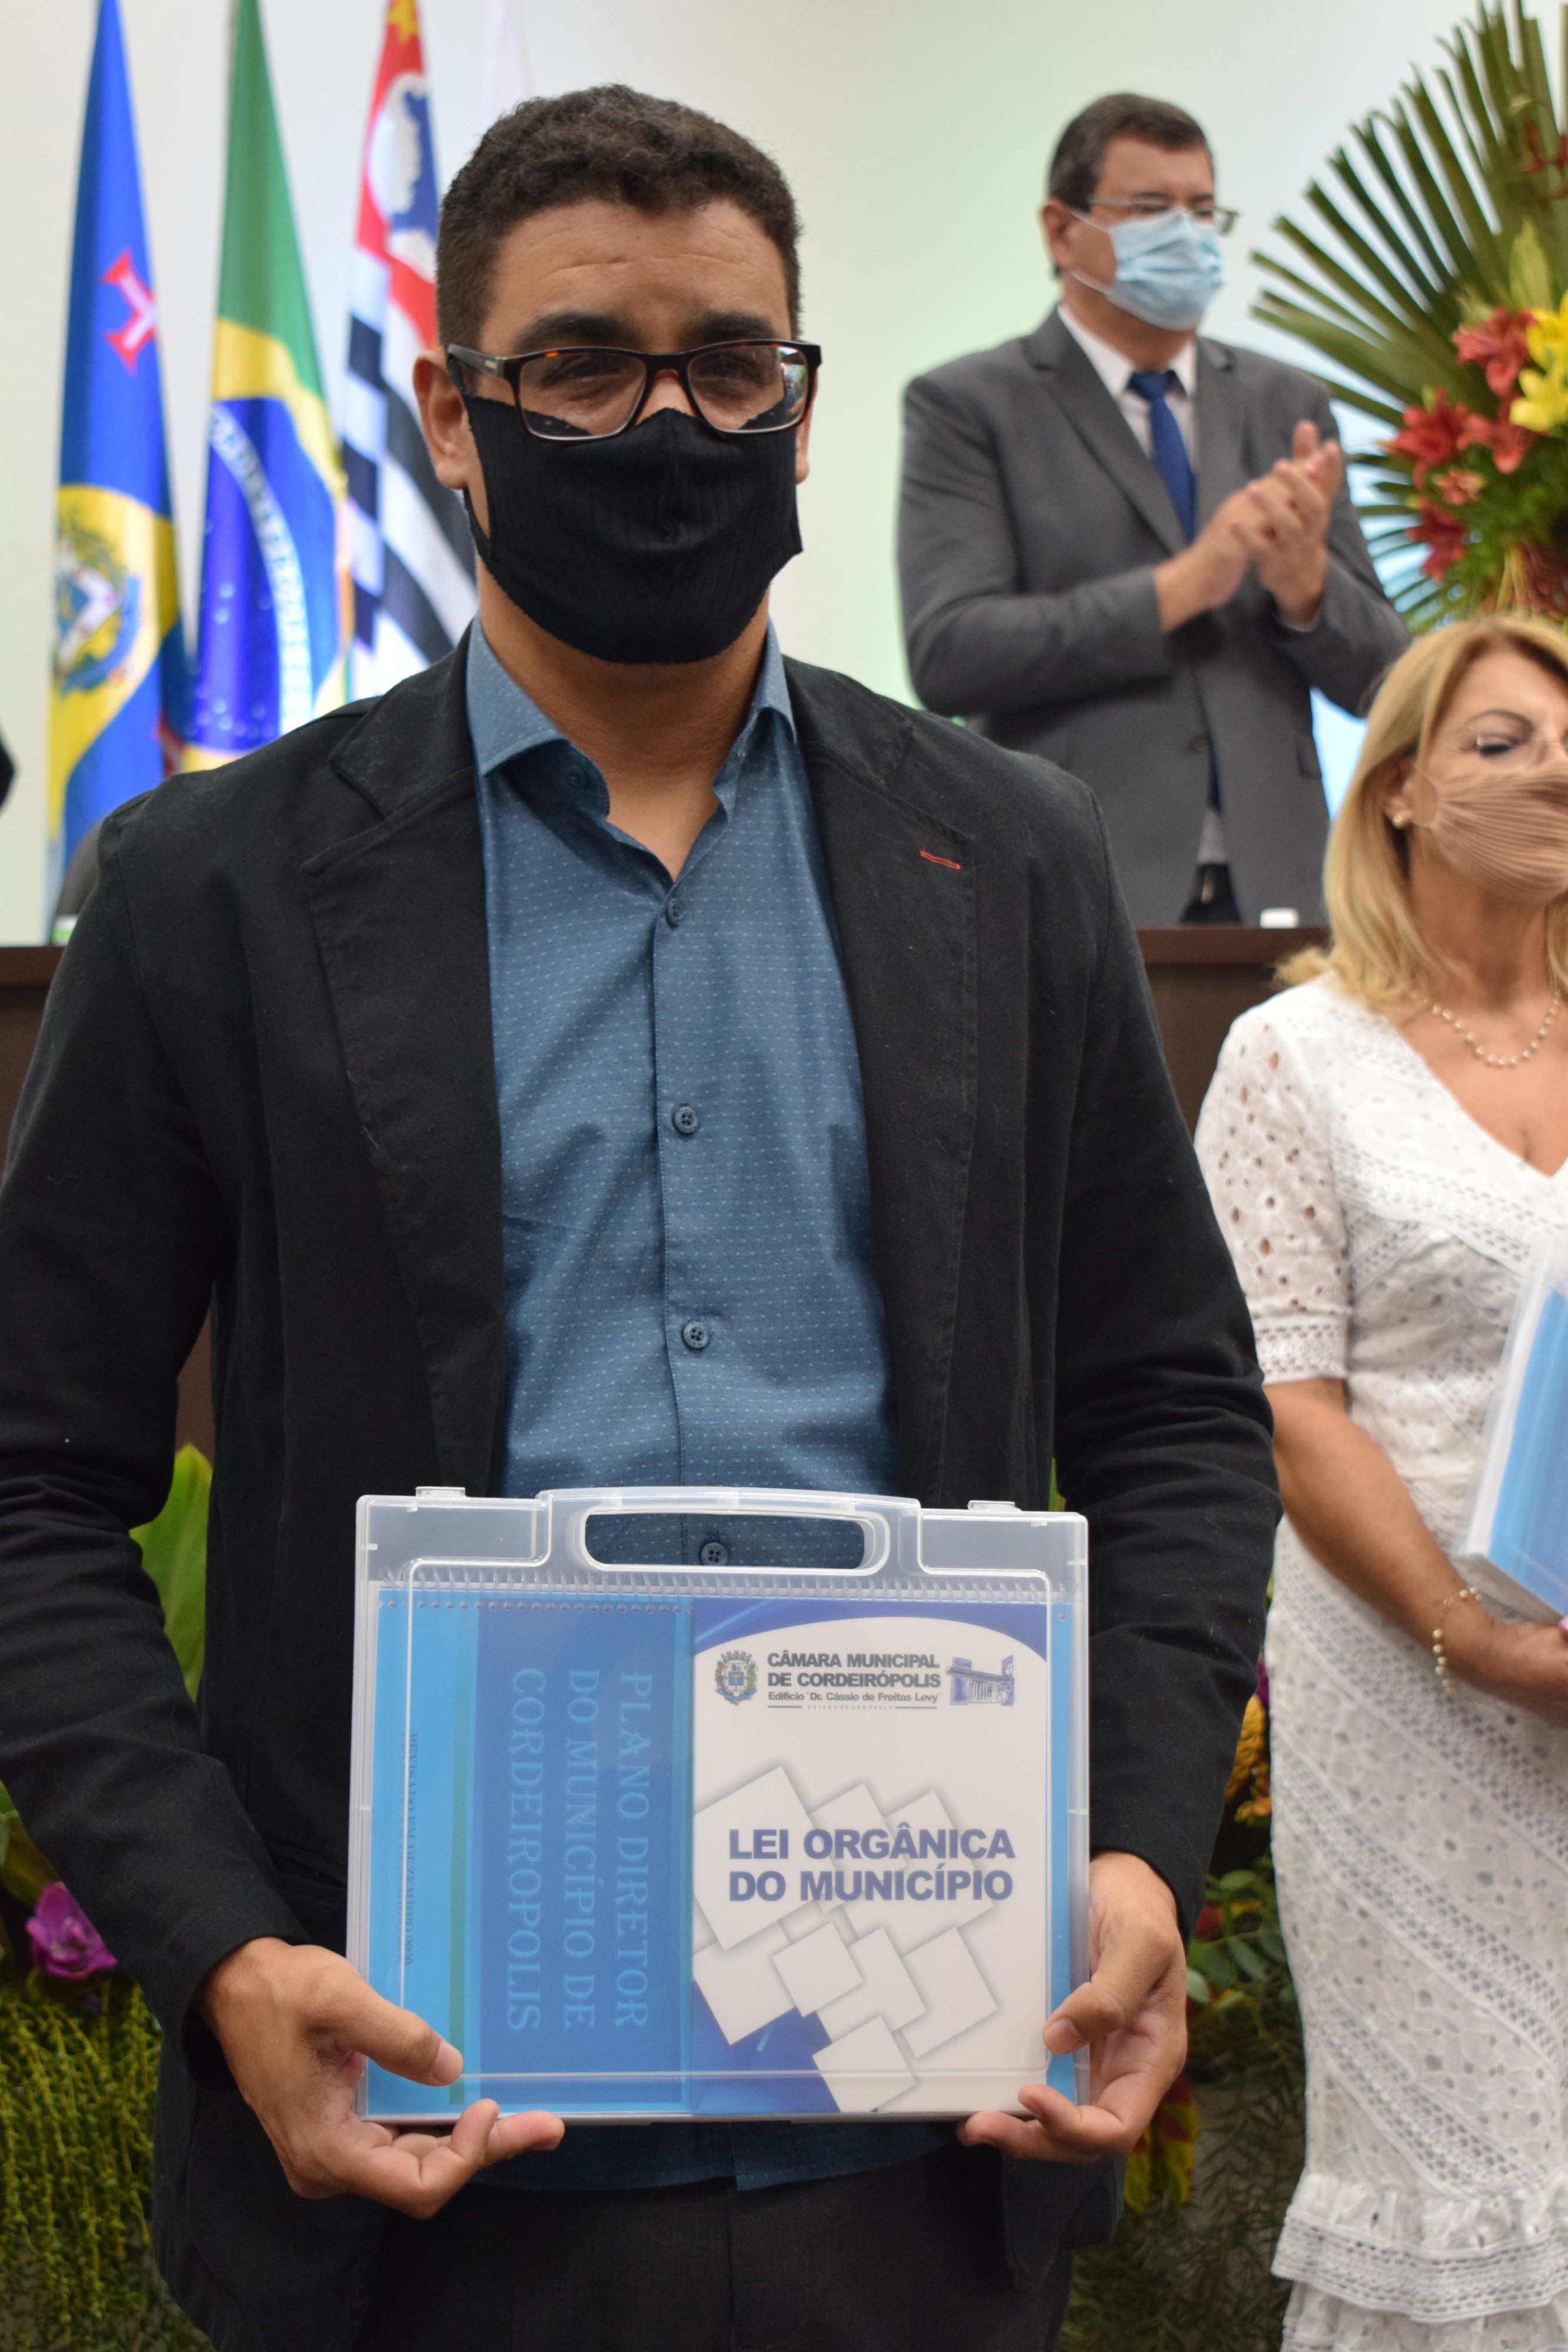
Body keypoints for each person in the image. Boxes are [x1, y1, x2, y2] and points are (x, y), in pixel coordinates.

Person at [0, 86, 1278, 2352]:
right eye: (584, 367)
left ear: (800, 402)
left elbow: (1170, 1410)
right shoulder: (214, 890)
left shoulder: (1001, 858)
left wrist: (1130, 1852)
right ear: (453, 413)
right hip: (407, 2145)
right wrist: (223, 1952)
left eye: (727, 365)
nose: (666, 425)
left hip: (920, 2138)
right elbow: (32, 1477)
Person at [1195, 614, 1568, 2348]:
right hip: (1412, 1677)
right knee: (1451, 2153)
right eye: (1502, 742)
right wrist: (1469, 1637)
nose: (1552, 771)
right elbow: (1286, 1403)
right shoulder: (1295, 1054)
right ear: (1401, 787)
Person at [898, 92, 1407, 928]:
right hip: (1074, 890)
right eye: (1149, 210)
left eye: (1203, 211)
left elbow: (1390, 680)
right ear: (1062, 231)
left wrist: (1308, 589)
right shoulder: (970, 405)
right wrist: (1180, 588)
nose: (1187, 236)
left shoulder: (1288, 403)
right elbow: (950, 652)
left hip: (1281, 897)